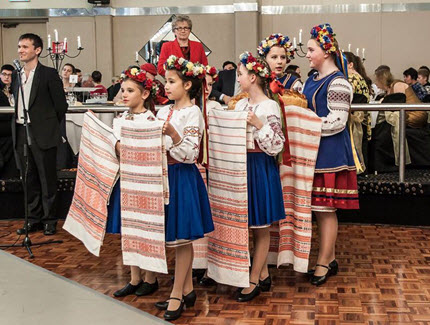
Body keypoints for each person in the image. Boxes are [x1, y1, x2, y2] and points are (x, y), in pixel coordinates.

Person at [154, 55, 214, 321]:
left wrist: (173, 135)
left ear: (187, 85)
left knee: (182, 239)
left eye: (171, 81)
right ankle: (188, 289)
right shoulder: (162, 110)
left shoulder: (193, 112)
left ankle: (177, 292)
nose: (166, 86)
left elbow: (191, 153)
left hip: (182, 176)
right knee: (174, 235)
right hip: (164, 175)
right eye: (165, 81)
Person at [302, 24, 359, 286]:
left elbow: (337, 121)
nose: (308, 54)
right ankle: (330, 257)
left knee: (325, 210)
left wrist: (305, 126)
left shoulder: (338, 81)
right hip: (314, 151)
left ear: (326, 52)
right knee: (317, 209)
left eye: (311, 49)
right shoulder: (310, 79)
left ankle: (323, 262)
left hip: (331, 153)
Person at [232, 51, 288, 302]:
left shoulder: (269, 106)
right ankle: (263, 274)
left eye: (241, 74)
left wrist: (257, 124)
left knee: (261, 226)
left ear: (253, 77)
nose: (238, 79)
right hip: (243, 166)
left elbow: (277, 144)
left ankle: (253, 279)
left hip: (260, 166)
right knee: (249, 224)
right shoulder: (241, 103)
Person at [110, 66, 161, 299]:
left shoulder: (151, 119)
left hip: (147, 183)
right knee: (129, 228)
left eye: (130, 90)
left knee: (147, 228)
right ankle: (133, 277)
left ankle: (151, 278)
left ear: (145, 94)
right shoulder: (120, 119)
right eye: (123, 90)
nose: (125, 95)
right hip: (127, 180)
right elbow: (117, 145)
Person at [13, 33, 68, 236]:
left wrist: (47, 124)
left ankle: (49, 220)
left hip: (43, 133)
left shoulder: (48, 73)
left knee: (47, 179)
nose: (21, 50)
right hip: (21, 131)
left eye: (25, 47)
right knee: (28, 178)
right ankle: (33, 218)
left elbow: (61, 106)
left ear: (37, 50)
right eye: (19, 46)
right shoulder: (18, 75)